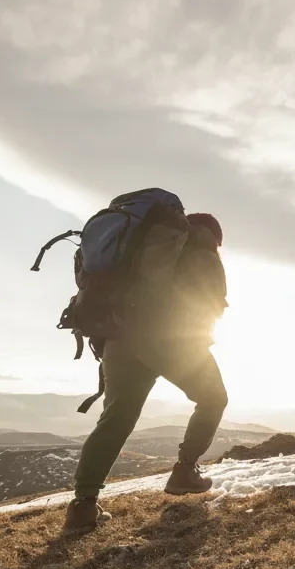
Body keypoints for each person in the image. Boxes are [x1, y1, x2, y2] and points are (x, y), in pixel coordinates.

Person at [63, 212, 230, 534]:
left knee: (116, 419)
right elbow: (211, 303)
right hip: (170, 339)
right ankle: (184, 472)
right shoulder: (201, 251)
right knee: (213, 399)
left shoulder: (139, 252)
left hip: (118, 340)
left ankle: (83, 505)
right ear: (213, 235)